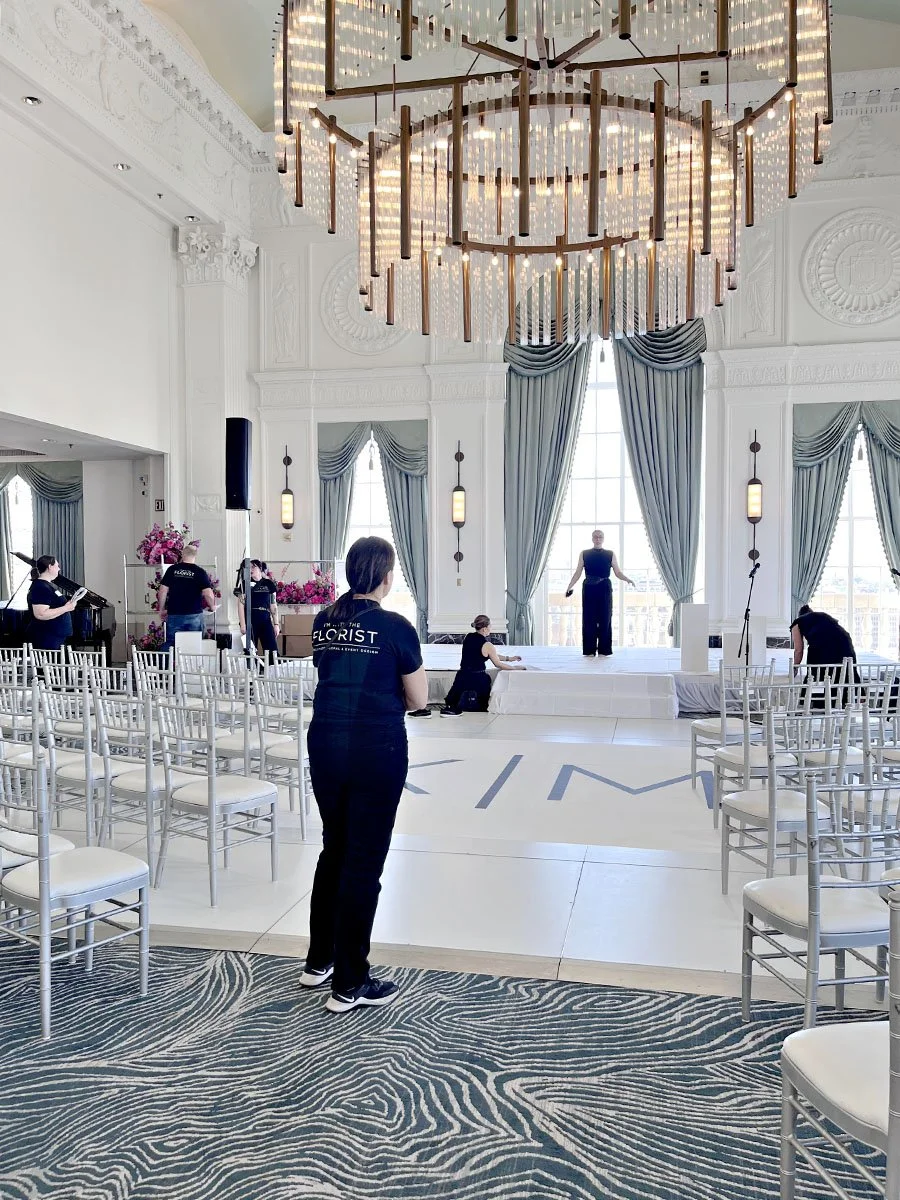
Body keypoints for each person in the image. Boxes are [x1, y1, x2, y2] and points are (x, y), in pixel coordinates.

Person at [301, 536, 428, 1014]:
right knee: (363, 862)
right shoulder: (395, 626)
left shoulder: (324, 619)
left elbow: (327, 670)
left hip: (326, 744)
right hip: (376, 748)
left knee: (334, 848)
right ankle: (351, 982)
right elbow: (418, 699)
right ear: (387, 577)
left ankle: (320, 960)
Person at [565, 529, 634, 657]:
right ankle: (589, 650)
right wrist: (569, 586)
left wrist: (627, 579)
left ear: (603, 538)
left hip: (604, 588)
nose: (597, 539)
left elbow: (618, 572)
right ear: (592, 538)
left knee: (605, 617)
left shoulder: (610, 554)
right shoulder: (584, 554)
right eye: (595, 537)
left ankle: (604, 650)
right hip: (589, 588)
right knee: (589, 618)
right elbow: (578, 572)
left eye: (600, 537)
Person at [440, 615, 525, 715]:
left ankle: (452, 707)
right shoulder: (488, 645)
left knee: (454, 698)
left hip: (462, 676)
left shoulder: (468, 637)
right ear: (484, 629)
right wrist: (515, 668)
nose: (491, 628)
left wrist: (509, 658)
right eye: (490, 626)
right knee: (484, 695)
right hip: (478, 678)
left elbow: (489, 655)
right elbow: (498, 663)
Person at [157, 544, 216, 654]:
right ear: (195, 556)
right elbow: (208, 594)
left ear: (182, 554)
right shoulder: (200, 572)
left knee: (171, 646)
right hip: (194, 615)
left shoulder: (172, 570)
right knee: (194, 646)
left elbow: (163, 591)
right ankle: (190, 665)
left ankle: (167, 664)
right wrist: (212, 606)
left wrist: (161, 609)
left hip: (174, 614)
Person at [27, 555, 78, 651]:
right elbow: (41, 614)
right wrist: (66, 608)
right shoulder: (40, 587)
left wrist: (67, 605)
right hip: (48, 638)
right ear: (50, 567)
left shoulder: (48, 585)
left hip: (57, 637)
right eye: (57, 566)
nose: (59, 569)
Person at [237, 560, 280, 662]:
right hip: (250, 619)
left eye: (253, 567)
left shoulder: (268, 584)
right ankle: (252, 670)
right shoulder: (245, 584)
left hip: (265, 618)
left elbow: (273, 605)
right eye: (249, 568)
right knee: (250, 650)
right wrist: (243, 624)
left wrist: (276, 624)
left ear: (260, 568)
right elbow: (240, 605)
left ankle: (273, 669)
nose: (251, 570)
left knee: (271, 648)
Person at [791, 604, 857, 669]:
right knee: (845, 672)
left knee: (816, 674)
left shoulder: (798, 622)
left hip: (823, 646)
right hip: (845, 643)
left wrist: (795, 668)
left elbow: (798, 650)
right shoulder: (823, 616)